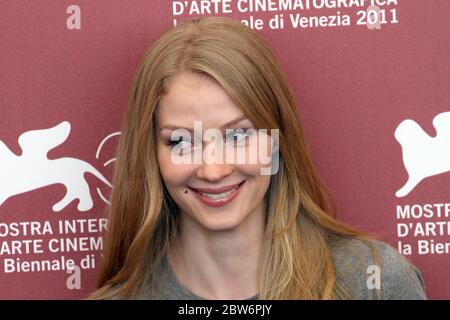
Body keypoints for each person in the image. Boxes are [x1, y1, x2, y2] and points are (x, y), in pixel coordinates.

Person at [90, 16, 426, 300]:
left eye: (238, 136)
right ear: (151, 152)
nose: (213, 169)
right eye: (181, 141)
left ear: (277, 140)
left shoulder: (375, 284)